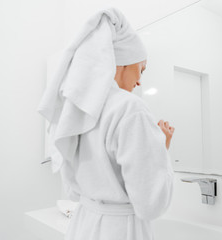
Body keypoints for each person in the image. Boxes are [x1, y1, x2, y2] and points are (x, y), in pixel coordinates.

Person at [38, 8, 175, 240]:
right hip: (121, 230)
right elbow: (151, 203)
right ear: (123, 62)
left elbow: (74, 186)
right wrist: (161, 147)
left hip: (84, 224)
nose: (140, 80)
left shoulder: (79, 109)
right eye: (141, 68)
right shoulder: (131, 108)